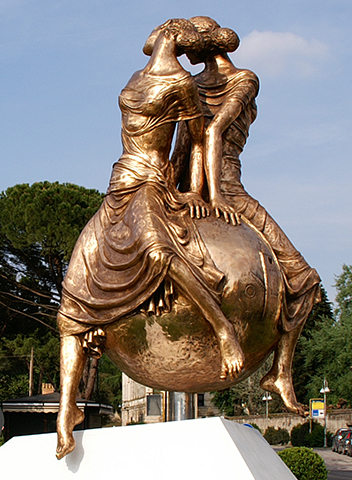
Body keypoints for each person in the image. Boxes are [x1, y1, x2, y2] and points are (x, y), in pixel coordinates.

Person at [55, 18, 244, 460]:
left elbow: (196, 142)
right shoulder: (138, 77)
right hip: (120, 183)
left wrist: (197, 192)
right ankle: (66, 410)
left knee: (159, 254)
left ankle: (224, 331)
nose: (155, 37)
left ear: (171, 37)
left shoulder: (182, 84)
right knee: (72, 299)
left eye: (163, 33)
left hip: (152, 186)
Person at [173, 16, 321, 415]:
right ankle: (280, 372)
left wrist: (184, 190)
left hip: (195, 186)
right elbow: (213, 133)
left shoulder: (198, 85)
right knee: (305, 279)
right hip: (229, 189)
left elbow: (186, 144)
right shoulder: (245, 79)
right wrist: (218, 195)